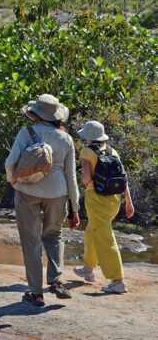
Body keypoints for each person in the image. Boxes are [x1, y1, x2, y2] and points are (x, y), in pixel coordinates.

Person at [5, 94, 80, 307]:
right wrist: (75, 208)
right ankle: (56, 281)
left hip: (27, 191)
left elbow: (10, 162)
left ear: (36, 114)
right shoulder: (66, 139)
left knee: (31, 241)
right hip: (57, 193)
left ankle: (36, 293)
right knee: (54, 235)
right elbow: (71, 176)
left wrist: (13, 181)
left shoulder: (25, 132)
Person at [73, 121, 134, 293]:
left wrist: (89, 184)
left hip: (96, 200)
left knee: (106, 239)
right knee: (92, 232)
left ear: (87, 136)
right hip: (114, 200)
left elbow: (86, 178)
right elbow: (124, 179)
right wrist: (129, 202)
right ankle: (88, 268)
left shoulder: (86, 151)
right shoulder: (112, 151)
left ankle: (118, 281)